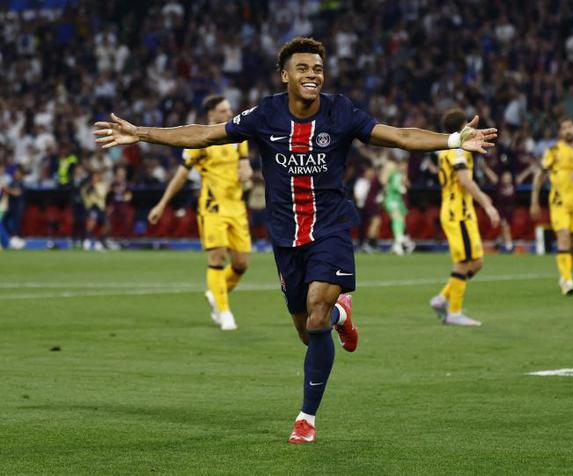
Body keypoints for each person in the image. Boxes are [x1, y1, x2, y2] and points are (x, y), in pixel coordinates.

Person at [95, 37, 497, 444]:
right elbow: (204, 134)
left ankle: (306, 417)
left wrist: (453, 140)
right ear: (285, 76)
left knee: (317, 315)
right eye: (303, 68)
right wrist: (141, 133)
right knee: (309, 332)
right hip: (287, 236)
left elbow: (399, 136)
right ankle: (342, 316)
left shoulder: (341, 111)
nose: (312, 75)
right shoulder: (265, 114)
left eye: (318, 69)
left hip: (331, 228)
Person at [147, 95, 253, 331]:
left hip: (236, 207)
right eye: (223, 110)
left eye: (229, 110)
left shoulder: (239, 138)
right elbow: (181, 175)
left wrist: (246, 172)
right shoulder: (200, 140)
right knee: (217, 258)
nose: (229, 114)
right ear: (211, 114)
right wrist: (162, 204)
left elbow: (245, 165)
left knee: (241, 263)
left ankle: (216, 293)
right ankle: (224, 312)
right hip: (212, 207)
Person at [430, 108, 500, 326]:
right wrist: (487, 204)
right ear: (463, 126)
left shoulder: (447, 148)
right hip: (457, 212)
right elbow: (465, 180)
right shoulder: (457, 150)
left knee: (476, 262)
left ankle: (443, 298)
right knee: (463, 262)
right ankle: (454, 312)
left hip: (462, 211)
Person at [530, 117, 573, 295]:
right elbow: (540, 175)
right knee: (563, 237)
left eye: (570, 127)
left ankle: (566, 275)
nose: (568, 130)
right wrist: (534, 200)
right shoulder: (553, 151)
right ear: (560, 132)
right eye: (564, 128)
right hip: (559, 202)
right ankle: (568, 280)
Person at [383, 158, 414, 255]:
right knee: (398, 219)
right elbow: (397, 187)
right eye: (403, 165)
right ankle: (399, 244)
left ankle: (399, 243)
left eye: (406, 166)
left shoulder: (401, 175)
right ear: (399, 165)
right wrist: (402, 188)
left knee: (400, 221)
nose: (405, 167)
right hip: (392, 200)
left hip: (397, 200)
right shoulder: (396, 174)